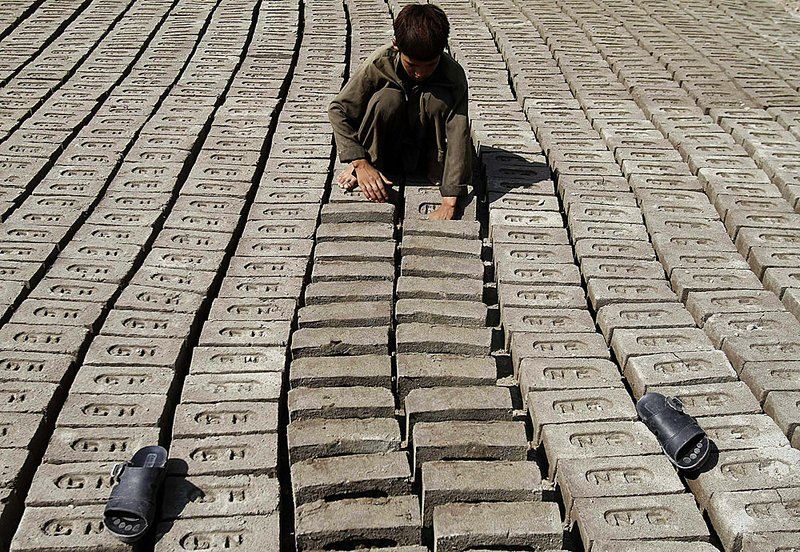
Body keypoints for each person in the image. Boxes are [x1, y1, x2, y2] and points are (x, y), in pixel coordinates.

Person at [328, 3, 470, 220]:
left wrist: (450, 199)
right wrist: (359, 161)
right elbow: (338, 109)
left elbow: (459, 132)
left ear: (442, 50)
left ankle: (432, 166)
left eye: (430, 65)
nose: (420, 74)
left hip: (426, 151)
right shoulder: (379, 63)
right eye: (412, 65)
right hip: (383, 147)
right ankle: (369, 166)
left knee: (435, 100)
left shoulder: (453, 75)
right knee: (387, 99)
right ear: (396, 45)